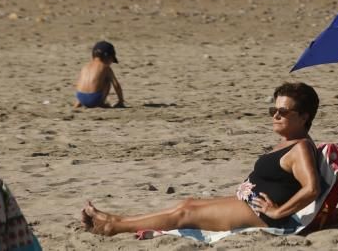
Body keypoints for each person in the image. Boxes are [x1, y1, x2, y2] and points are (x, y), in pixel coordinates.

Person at [81, 82, 321, 236]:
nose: (275, 116)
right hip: (250, 205)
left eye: (283, 112)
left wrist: (278, 213)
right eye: (273, 111)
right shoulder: (289, 141)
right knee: (187, 204)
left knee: (185, 215)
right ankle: (116, 218)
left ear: (304, 117)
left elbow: (311, 189)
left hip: (261, 216)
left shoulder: (300, 148)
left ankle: (113, 227)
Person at [74, 41, 125, 108]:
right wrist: (121, 101)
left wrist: (80, 99)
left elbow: (78, 83)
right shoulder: (106, 67)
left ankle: (78, 103)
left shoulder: (85, 67)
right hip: (95, 99)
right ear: (107, 56)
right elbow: (116, 85)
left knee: (85, 81)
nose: (111, 63)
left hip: (80, 96)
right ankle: (101, 103)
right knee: (107, 81)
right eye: (111, 60)